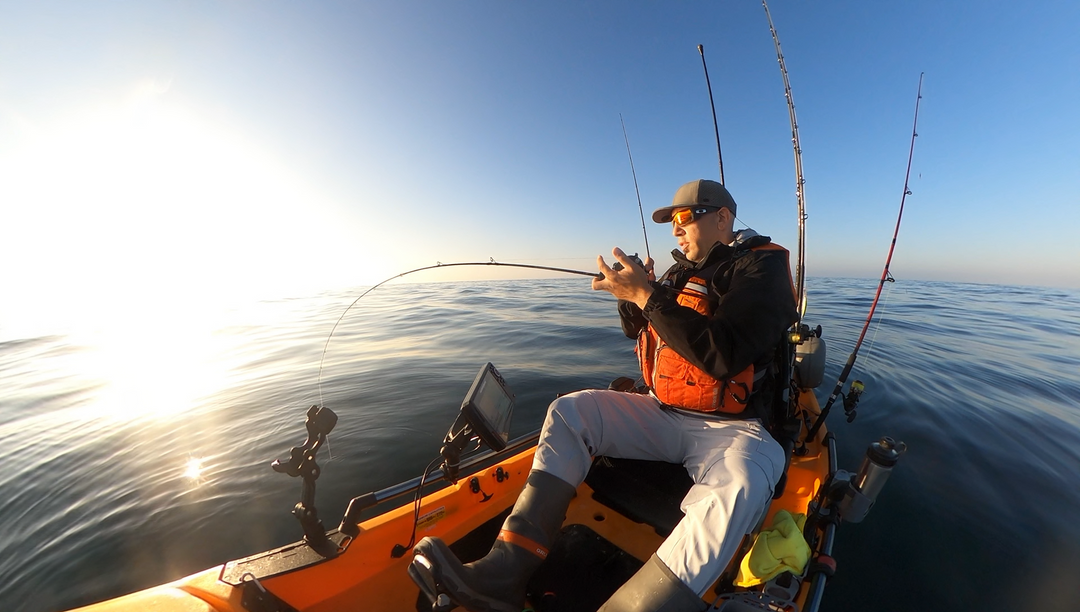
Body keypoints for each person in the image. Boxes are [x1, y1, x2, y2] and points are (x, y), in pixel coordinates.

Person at [411, 179, 799, 612]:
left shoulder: (762, 268)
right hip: (666, 411)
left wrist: (646, 294)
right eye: (672, 220)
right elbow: (639, 329)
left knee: (737, 489)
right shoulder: (678, 273)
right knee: (571, 411)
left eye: (684, 217)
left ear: (723, 218)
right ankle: (505, 570)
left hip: (739, 430)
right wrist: (628, 295)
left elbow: (723, 353)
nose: (675, 228)